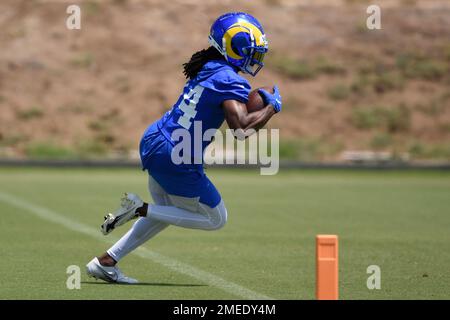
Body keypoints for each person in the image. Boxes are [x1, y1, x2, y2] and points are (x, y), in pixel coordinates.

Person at [86, 12, 282, 283]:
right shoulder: (229, 79)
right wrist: (272, 107)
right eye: (251, 51)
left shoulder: (210, 65)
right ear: (233, 47)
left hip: (156, 139)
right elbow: (241, 129)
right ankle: (138, 208)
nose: (255, 57)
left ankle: (106, 262)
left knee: (166, 210)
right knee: (216, 218)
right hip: (177, 154)